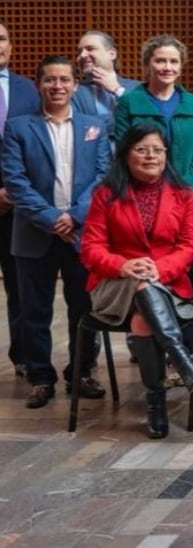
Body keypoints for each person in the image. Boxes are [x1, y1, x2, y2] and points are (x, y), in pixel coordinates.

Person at [79, 123, 193, 438]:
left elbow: (189, 246)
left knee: (142, 319)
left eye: (158, 150)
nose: (151, 156)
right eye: (142, 149)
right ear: (126, 154)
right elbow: (91, 249)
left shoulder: (183, 194)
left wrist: (158, 270)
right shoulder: (105, 194)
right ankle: (179, 358)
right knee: (141, 287)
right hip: (113, 282)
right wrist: (123, 266)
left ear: (166, 155)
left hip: (167, 282)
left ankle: (157, 402)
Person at [3, 55, 110, 408]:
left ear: (75, 85)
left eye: (64, 80)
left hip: (81, 234)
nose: (58, 86)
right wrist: (52, 218)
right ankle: (40, 377)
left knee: (84, 307)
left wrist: (75, 215)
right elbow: (16, 183)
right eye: (50, 80)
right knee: (34, 310)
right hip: (34, 234)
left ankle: (81, 372)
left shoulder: (93, 125)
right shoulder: (19, 128)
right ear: (39, 85)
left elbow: (102, 177)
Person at [114, 34, 193, 224]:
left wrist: (186, 188)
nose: (168, 67)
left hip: (190, 196)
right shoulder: (129, 102)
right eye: (160, 61)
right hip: (142, 196)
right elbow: (123, 151)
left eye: (174, 61)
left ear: (181, 66)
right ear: (147, 64)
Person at [0, 17, 42, 379]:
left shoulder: (28, 89)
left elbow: (35, 148)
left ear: (10, 46)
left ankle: (24, 355)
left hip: (15, 204)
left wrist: (13, 190)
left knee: (19, 284)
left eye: (1, 39)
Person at [73, 30, 140, 138]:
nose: (82, 55)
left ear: (112, 54)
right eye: (79, 52)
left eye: (90, 49)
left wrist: (117, 90)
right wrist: (124, 121)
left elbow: (144, 123)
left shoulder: (138, 88)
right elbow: (77, 130)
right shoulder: (73, 92)